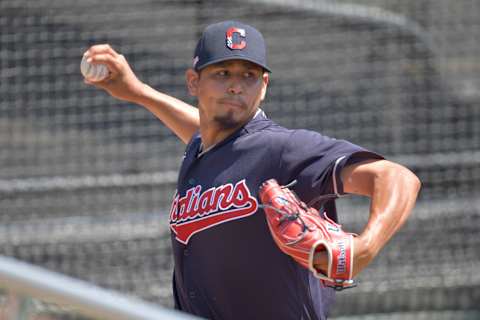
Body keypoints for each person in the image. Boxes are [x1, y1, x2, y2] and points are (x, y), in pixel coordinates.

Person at [84, 20, 421, 320]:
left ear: (264, 86)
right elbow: (205, 133)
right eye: (222, 73)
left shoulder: (282, 149)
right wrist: (139, 92)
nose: (236, 86)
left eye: (249, 75)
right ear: (193, 83)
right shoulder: (205, 150)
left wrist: (366, 246)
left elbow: (397, 177)